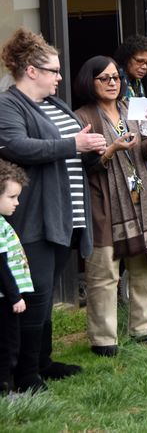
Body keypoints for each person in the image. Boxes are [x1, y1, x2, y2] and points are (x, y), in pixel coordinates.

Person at [0, 28, 105, 392]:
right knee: (34, 295)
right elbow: (17, 146)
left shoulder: (55, 105)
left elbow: (70, 153)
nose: (60, 77)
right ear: (31, 70)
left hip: (66, 216)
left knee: (44, 296)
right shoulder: (8, 105)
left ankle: (42, 362)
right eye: (54, 70)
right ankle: (25, 376)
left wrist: (92, 149)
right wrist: (73, 142)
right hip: (34, 217)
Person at [74, 55, 147, 356]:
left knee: (144, 269)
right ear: (91, 81)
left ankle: (142, 330)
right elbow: (85, 165)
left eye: (116, 77)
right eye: (105, 78)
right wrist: (112, 148)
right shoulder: (82, 116)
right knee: (104, 273)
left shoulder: (132, 109)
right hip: (104, 202)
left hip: (140, 200)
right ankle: (104, 340)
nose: (113, 83)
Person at [0, 160, 32, 396]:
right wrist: (14, 297)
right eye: (12, 197)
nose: (17, 203)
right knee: (7, 346)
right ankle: (5, 390)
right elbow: (0, 265)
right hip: (5, 298)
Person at [114, 34, 147, 100]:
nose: (144, 67)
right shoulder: (115, 79)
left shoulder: (137, 81)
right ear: (126, 58)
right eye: (139, 61)